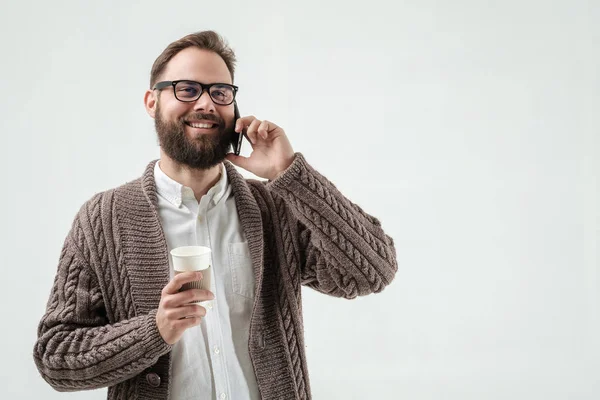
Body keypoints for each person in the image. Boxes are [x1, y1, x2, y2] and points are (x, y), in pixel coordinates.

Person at [33, 30, 398, 400]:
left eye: (220, 92)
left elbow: (372, 271)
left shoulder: (275, 208)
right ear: (151, 101)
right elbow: (56, 357)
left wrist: (289, 173)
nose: (206, 103)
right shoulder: (103, 220)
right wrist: (154, 331)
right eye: (187, 89)